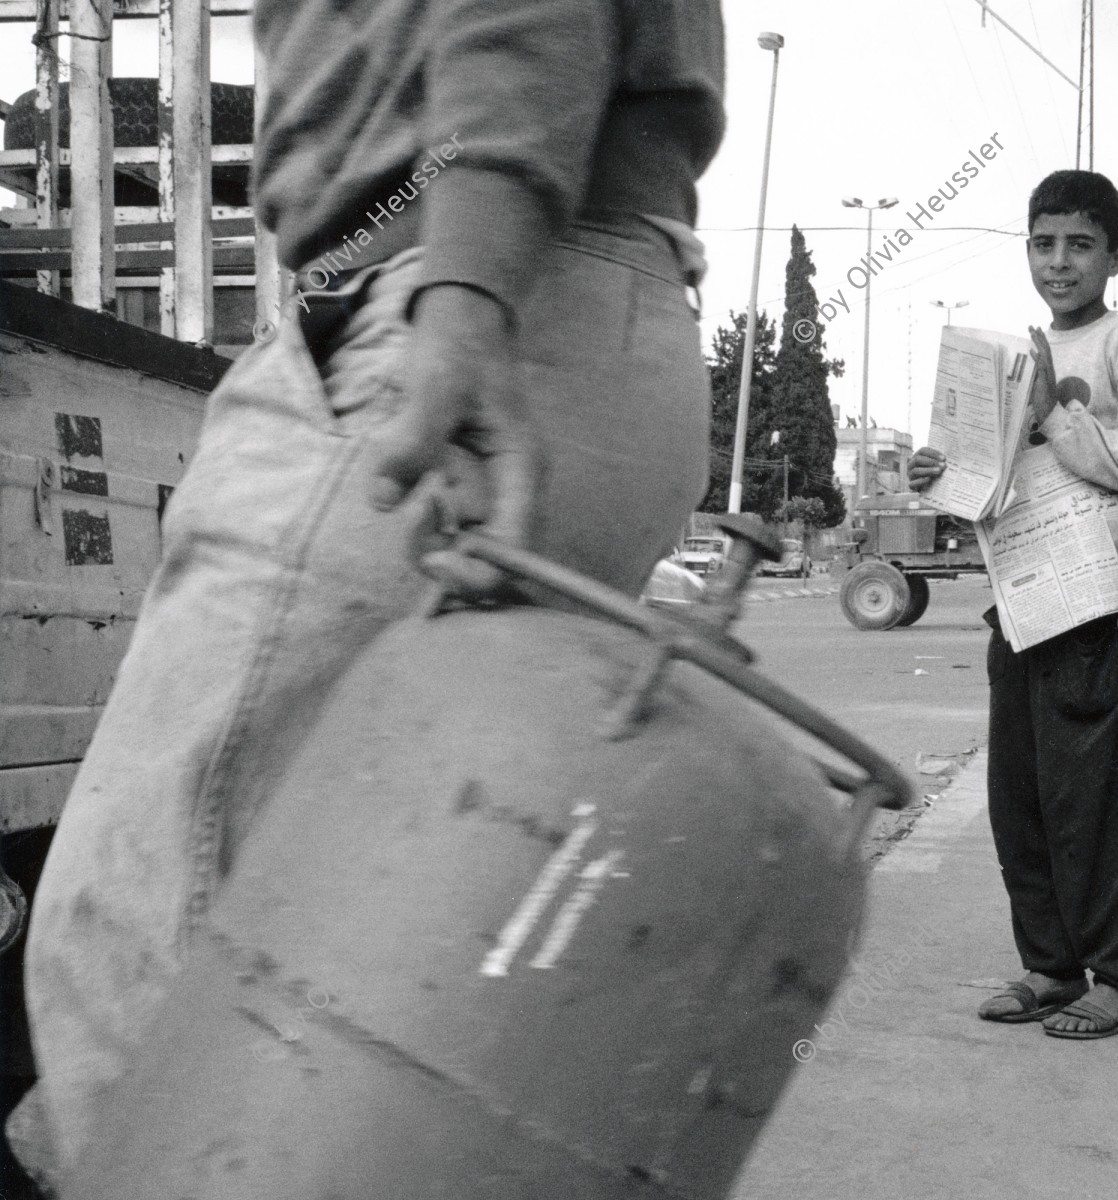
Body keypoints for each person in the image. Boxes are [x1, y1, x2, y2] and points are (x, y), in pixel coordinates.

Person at [10, 2, 724, 1185]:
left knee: (143, 934)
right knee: (387, 973)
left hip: (466, 301)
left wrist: (467, 299)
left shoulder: (466, 289)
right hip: (562, 301)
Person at [909, 170, 1118, 1040]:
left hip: (1095, 608)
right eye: (1043, 243)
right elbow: (989, 490)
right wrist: (939, 474)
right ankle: (1051, 967)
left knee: (1098, 797)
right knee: (1020, 797)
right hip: (1019, 606)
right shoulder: (1009, 355)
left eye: (1079, 244)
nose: (1059, 262)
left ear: (1115, 255)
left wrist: (1049, 419)